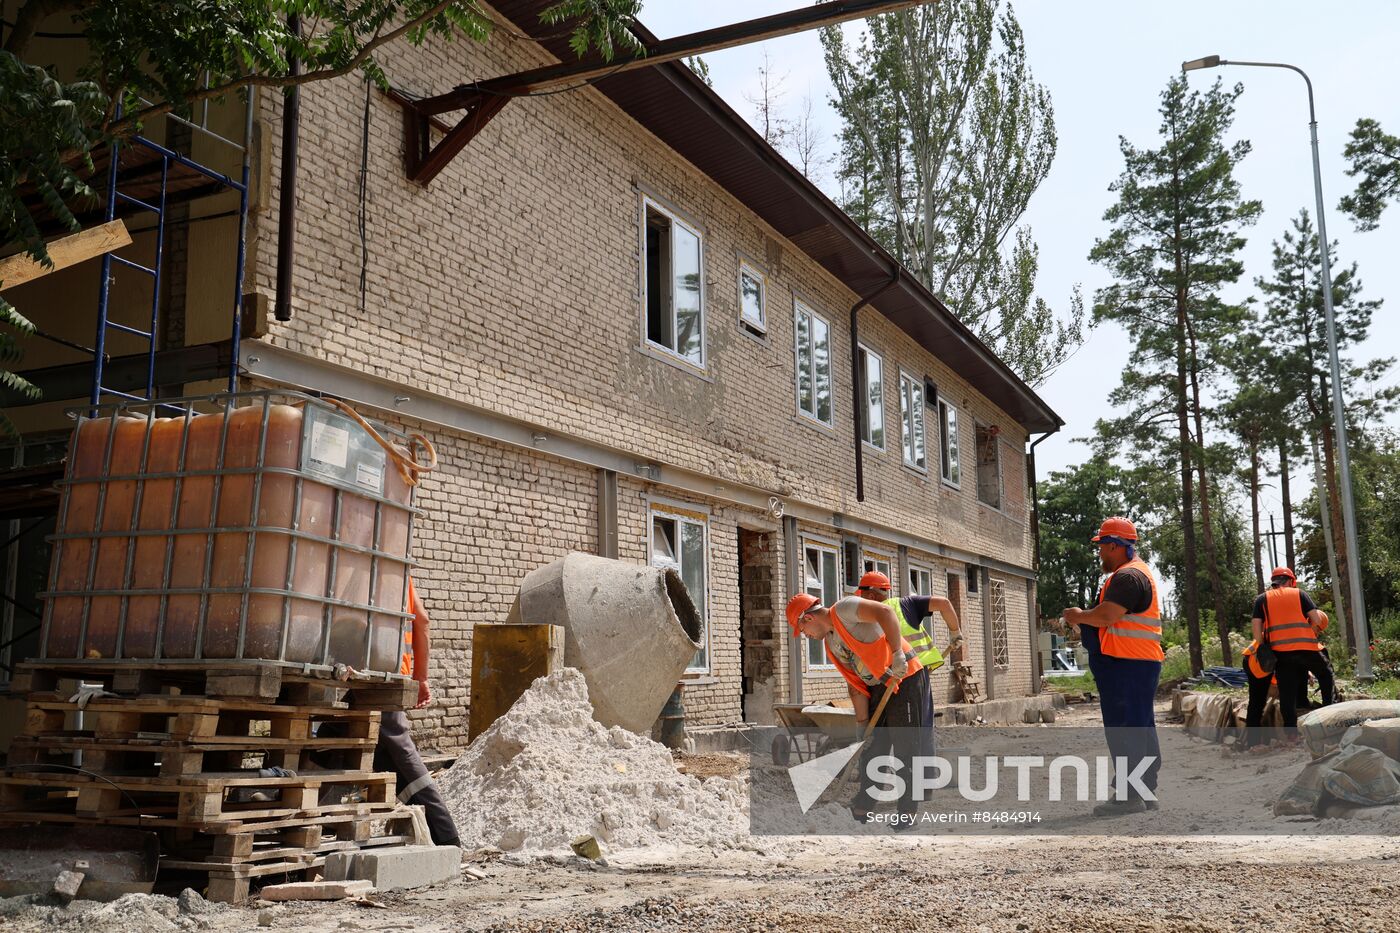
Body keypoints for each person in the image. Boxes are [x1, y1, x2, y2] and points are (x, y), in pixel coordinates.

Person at [327, 577, 462, 847]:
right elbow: (422, 620)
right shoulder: (397, 574)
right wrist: (420, 677)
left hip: (367, 677)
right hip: (388, 677)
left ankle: (447, 838)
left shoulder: (355, 572)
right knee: (337, 742)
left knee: (402, 757)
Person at [786, 591, 931, 826]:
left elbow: (885, 612)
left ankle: (907, 813)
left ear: (807, 618)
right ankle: (864, 805)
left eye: (802, 631)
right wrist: (862, 727)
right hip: (880, 685)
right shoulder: (831, 645)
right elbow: (856, 687)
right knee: (873, 747)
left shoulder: (845, 609)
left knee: (905, 746)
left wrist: (897, 654)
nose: (806, 636)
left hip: (906, 676)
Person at [1062, 516, 1163, 817]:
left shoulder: (1128, 578)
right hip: (1135, 663)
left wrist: (1078, 616)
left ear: (1116, 546)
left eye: (1103, 547)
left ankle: (1129, 796)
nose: (1100, 554)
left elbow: (1107, 616)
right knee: (1140, 727)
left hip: (1126, 665)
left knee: (1124, 730)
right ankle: (1145, 791)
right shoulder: (1133, 574)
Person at [1251, 566, 1333, 731]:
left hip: (1281, 653)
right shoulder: (1300, 594)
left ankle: (1290, 734)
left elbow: (1256, 630)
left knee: (1287, 693)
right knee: (1325, 675)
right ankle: (1328, 715)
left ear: (1274, 582)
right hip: (1306, 648)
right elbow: (1316, 619)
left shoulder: (1261, 599)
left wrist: (1263, 647)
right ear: (1291, 581)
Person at [854, 570, 964, 672]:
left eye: (862, 597)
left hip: (888, 675)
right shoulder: (906, 604)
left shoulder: (864, 616)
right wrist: (955, 633)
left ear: (871, 596)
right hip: (918, 669)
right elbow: (944, 603)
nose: (861, 601)